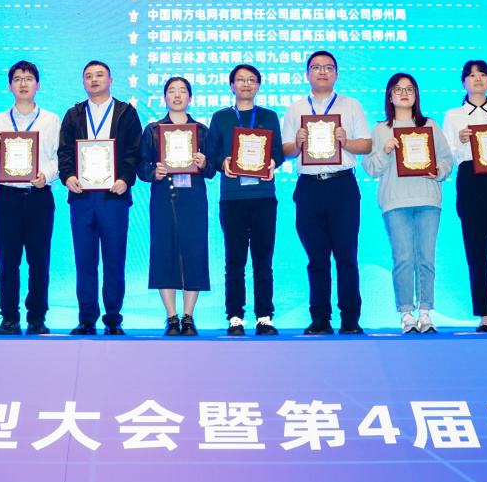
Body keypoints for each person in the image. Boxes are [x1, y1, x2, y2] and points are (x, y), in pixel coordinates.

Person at [281, 50, 373, 335]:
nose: (322, 72)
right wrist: (297, 144)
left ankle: (350, 318)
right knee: (317, 259)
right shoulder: (295, 108)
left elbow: (366, 145)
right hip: (309, 188)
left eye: (328, 67)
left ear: (336, 73)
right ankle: (320, 318)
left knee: (347, 256)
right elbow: (285, 151)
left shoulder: (351, 105)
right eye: (316, 67)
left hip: (342, 186)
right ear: (307, 74)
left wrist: (347, 142)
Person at [365, 73, 454, 334]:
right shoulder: (381, 129)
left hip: (427, 199)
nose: (404, 93)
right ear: (390, 96)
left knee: (426, 258)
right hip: (395, 202)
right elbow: (371, 168)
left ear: (416, 95)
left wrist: (438, 171)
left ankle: (425, 313)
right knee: (402, 258)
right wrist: (385, 151)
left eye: (410, 89)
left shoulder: (430, 125)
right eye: (398, 89)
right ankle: (406, 314)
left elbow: (447, 160)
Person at [58, 60, 142, 335]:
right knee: (85, 261)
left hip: (113, 197)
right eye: (89, 76)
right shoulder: (74, 114)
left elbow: (134, 151)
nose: (94, 80)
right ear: (83, 82)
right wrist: (68, 176)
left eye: (99, 75)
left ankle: (113, 319)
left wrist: (125, 179)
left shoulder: (126, 113)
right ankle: (86, 319)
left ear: (110, 80)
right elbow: (64, 152)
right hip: (82, 197)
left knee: (114, 260)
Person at [207, 64, 285, 336]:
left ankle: (264, 317)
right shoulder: (220, 118)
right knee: (235, 260)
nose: (246, 84)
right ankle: (235, 317)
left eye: (251, 80)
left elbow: (278, 152)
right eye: (240, 80)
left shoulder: (269, 116)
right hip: (232, 198)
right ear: (231, 85)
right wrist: (223, 162)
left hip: (263, 196)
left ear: (259, 86)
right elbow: (212, 153)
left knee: (263, 260)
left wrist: (273, 162)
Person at [441, 60, 487, 333]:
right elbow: (445, 153)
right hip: (470, 180)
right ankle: (484, 315)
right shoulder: (453, 115)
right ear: (464, 82)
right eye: (471, 75)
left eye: (482, 74)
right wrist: (459, 141)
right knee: (475, 251)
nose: (477, 79)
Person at [0, 61, 59, 336]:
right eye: (17, 79)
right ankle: (9, 317)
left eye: (28, 78)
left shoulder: (51, 120)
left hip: (39, 197)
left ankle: (37, 318)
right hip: (7, 198)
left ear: (38, 85)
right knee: (8, 262)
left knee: (39, 261)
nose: (23, 83)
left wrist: (46, 175)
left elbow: (59, 159)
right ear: (10, 86)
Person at [138, 77, 215, 336]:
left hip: (194, 199)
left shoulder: (201, 130)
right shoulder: (153, 130)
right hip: (163, 197)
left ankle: (188, 316)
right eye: (172, 91)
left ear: (190, 98)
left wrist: (204, 163)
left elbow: (212, 169)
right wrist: (154, 172)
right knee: (164, 253)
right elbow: (140, 166)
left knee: (194, 252)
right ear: (165, 97)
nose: (177, 95)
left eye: (182, 91)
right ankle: (171, 317)